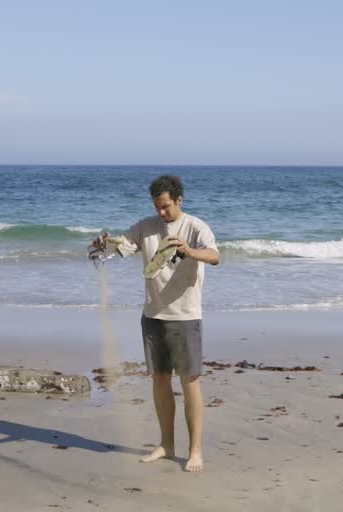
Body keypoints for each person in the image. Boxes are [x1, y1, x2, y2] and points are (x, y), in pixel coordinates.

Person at [93, 174, 219, 472]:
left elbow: (214, 256)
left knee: (190, 382)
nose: (161, 213)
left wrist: (188, 250)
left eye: (165, 206)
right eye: (157, 207)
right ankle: (166, 444)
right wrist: (103, 243)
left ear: (178, 200)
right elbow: (122, 247)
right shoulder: (146, 226)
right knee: (160, 380)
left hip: (185, 316)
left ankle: (196, 450)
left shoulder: (195, 226)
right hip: (152, 316)